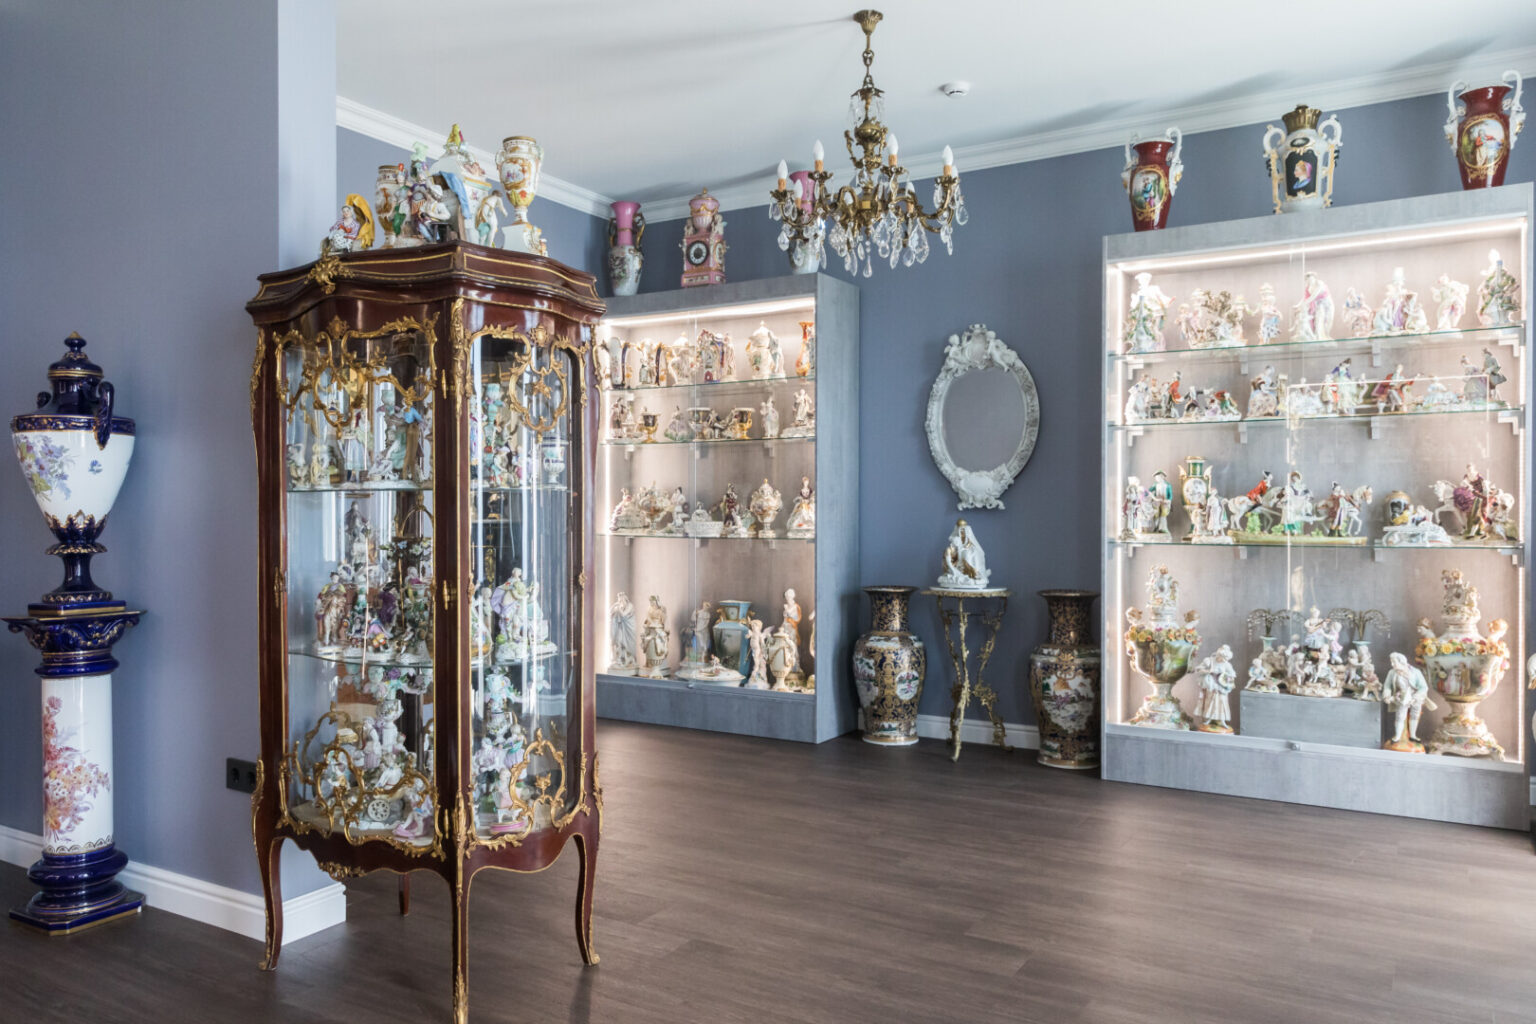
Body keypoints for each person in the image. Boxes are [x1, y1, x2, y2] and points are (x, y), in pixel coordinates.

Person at [1382, 652, 1435, 752]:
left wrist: (1415, 697)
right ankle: (1397, 736)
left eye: (1394, 662)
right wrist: (1387, 695)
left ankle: (1413, 735)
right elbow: (1387, 686)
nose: (1392, 664)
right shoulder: (1392, 673)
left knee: (1415, 714)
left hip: (1415, 697)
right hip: (1401, 697)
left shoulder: (1415, 672)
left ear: (1402, 662)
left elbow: (1423, 687)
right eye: (1391, 662)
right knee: (1400, 715)